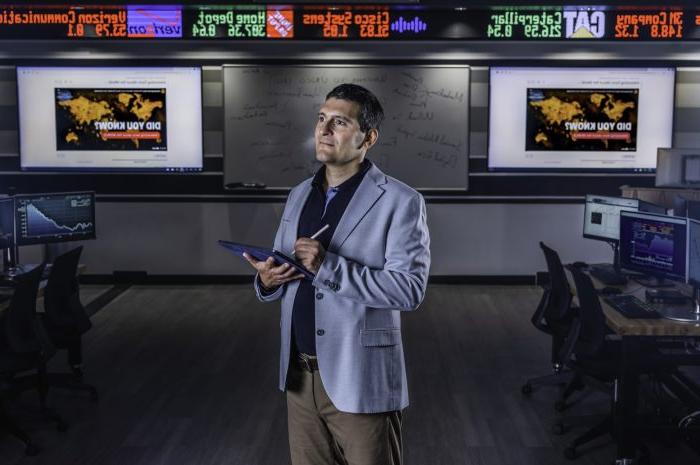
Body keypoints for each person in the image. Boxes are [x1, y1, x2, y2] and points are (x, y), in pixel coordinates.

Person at [243, 83, 430, 465]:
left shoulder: (400, 201)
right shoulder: (299, 194)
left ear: (368, 137)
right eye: (321, 119)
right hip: (300, 377)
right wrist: (267, 280)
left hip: (359, 377)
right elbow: (284, 268)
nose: (324, 130)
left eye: (339, 122)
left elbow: (409, 289)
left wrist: (328, 267)